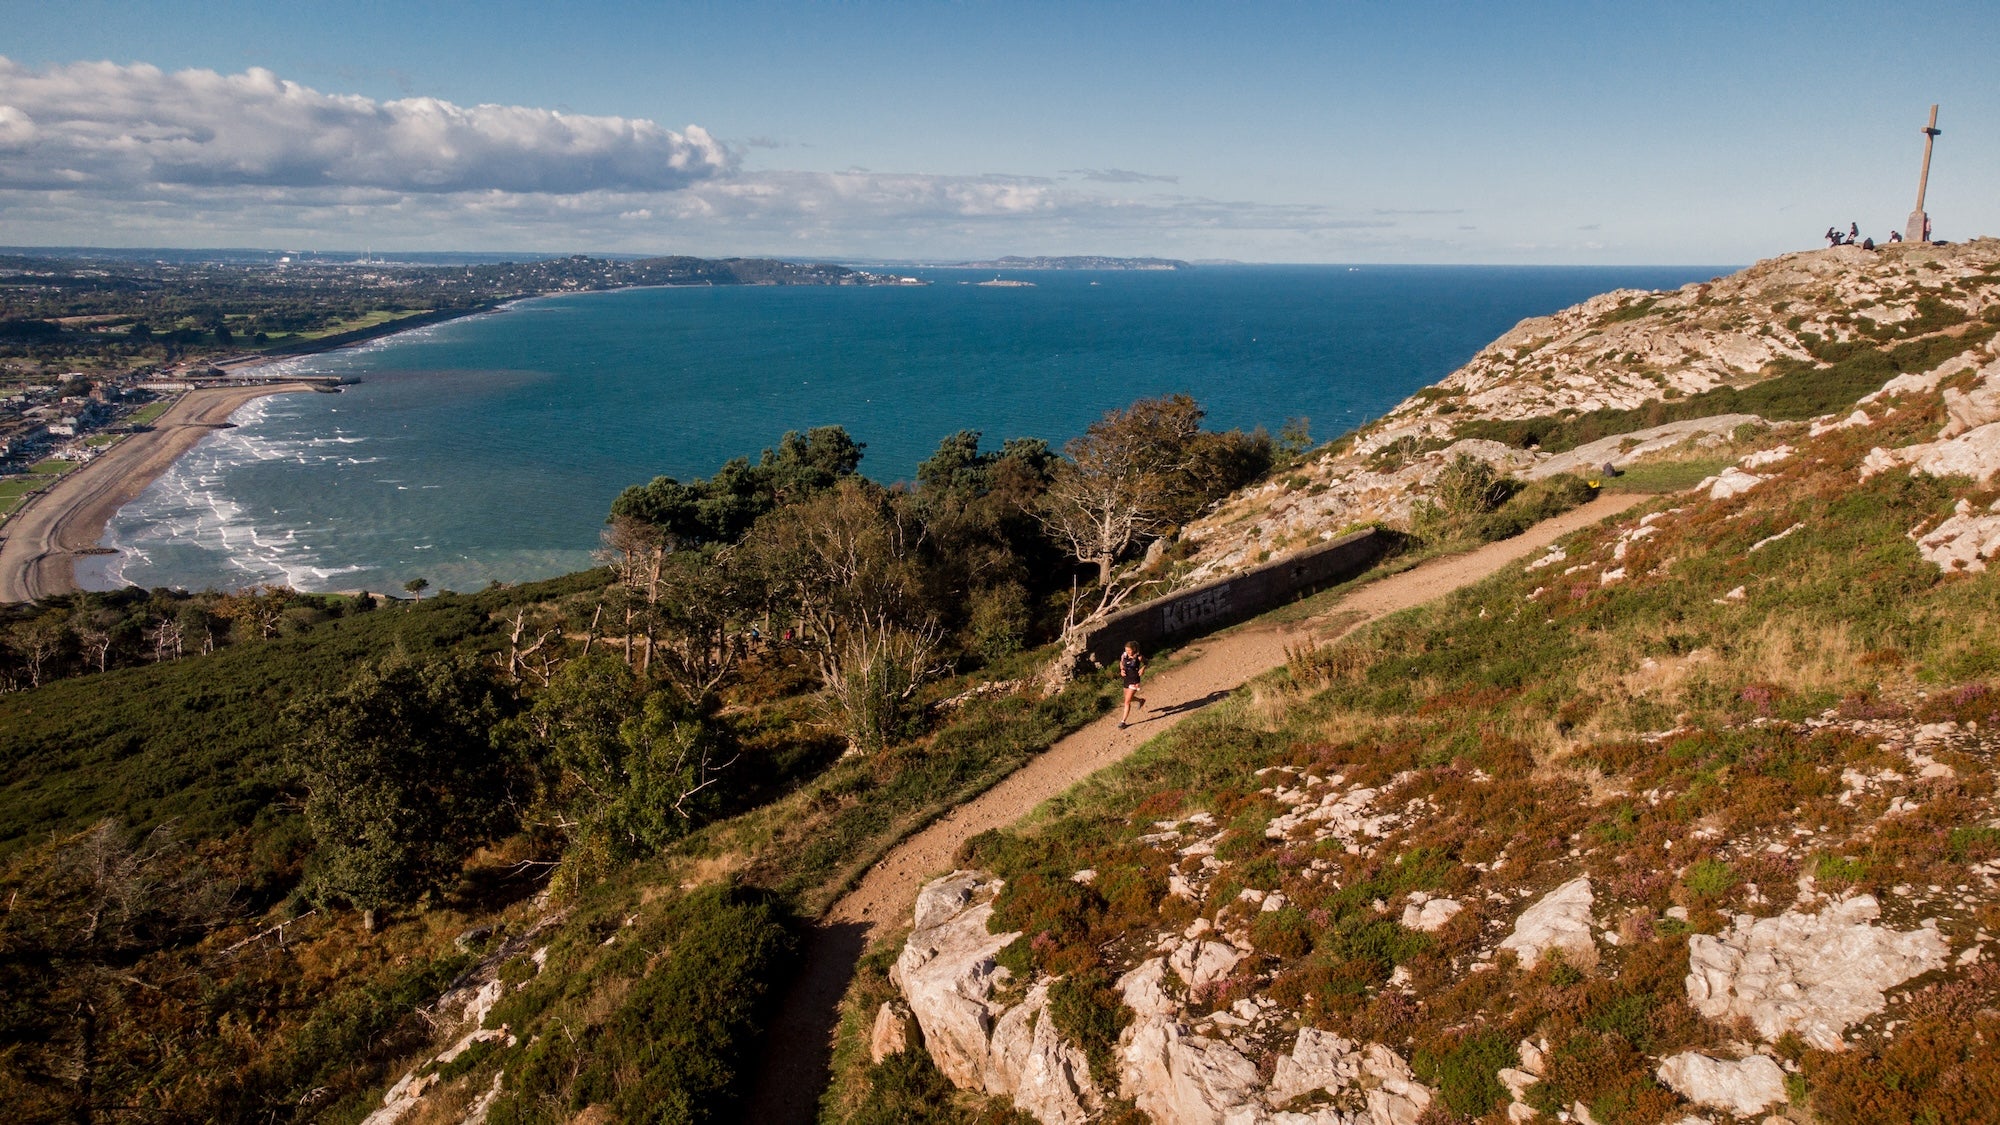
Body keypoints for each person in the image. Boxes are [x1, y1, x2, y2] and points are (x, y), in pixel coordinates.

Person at [1116, 641, 1147, 728]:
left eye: (1129, 650)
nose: (1128, 652)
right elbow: (1121, 663)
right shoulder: (1124, 655)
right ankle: (1140, 700)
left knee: (1127, 701)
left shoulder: (1139, 657)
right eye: (1126, 650)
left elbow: (1147, 662)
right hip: (1126, 679)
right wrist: (1121, 670)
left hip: (1134, 680)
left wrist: (1143, 668)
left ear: (1134, 649)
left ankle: (1123, 722)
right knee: (1127, 698)